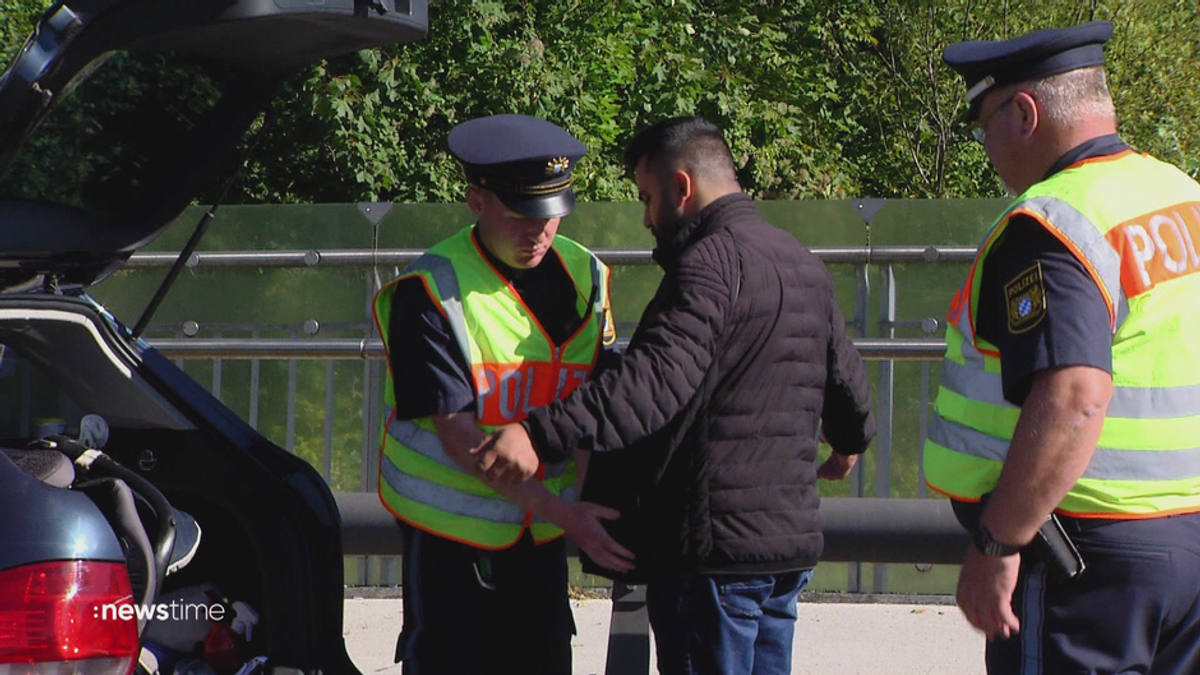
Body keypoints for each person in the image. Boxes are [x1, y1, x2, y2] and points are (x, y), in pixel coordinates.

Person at [475, 115, 876, 674]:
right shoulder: (799, 260)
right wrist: (847, 445)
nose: (645, 216)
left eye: (646, 197)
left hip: (713, 561)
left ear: (681, 188)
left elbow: (650, 385)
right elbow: (846, 380)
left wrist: (536, 433)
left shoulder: (708, 266)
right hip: (785, 550)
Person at [926, 20, 1200, 673]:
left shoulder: (1052, 223)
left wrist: (998, 541)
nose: (985, 146)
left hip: (1089, 556)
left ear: (1023, 112)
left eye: (983, 123)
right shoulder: (1180, 195)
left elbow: (1074, 397)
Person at [372, 113, 633, 675]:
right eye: (521, 214)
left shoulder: (586, 274)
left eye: (551, 215)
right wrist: (567, 513)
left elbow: (598, 400)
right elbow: (462, 437)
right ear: (476, 200)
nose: (538, 232)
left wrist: (589, 509)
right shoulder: (430, 290)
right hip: (452, 539)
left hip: (539, 537)